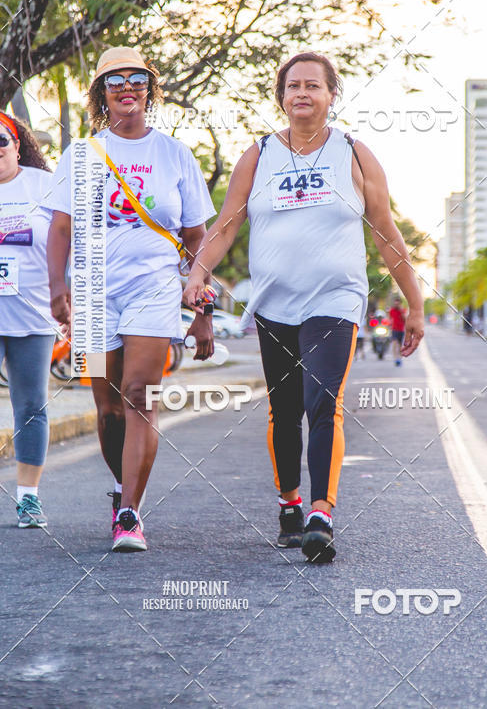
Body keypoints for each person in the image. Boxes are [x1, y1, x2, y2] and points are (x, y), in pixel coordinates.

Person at [183, 51, 424, 563]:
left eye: (313, 86)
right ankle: (289, 502)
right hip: (274, 304)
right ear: (281, 97)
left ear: (332, 95)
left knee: (323, 401)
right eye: (293, 86)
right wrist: (198, 272)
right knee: (285, 408)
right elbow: (226, 225)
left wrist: (416, 303)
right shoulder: (259, 155)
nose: (302, 94)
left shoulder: (355, 155)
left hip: (334, 300)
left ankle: (321, 513)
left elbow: (387, 236)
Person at [45, 47, 215, 552]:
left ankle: (129, 513)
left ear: (148, 87)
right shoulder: (81, 154)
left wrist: (202, 307)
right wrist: (58, 288)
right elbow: (60, 228)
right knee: (107, 406)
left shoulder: (174, 154)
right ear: (102, 92)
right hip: (94, 295)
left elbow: (198, 237)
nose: (126, 87)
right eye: (114, 80)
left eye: (135, 78)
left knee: (140, 397)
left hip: (153, 289)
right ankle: (121, 485)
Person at [0, 112, 56, 527]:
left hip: (33, 314)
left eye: (1, 141)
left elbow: (70, 243)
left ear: (17, 145)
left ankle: (29, 499)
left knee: (31, 406)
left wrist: (71, 303)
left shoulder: (45, 185)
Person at [389, 297, 406, 367]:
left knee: (399, 345)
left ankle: (399, 358)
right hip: (394, 329)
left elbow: (405, 319)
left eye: (398, 303)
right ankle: (395, 358)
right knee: (394, 343)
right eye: (395, 303)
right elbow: (390, 318)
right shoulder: (392, 310)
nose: (396, 304)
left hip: (401, 330)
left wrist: (401, 311)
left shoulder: (403, 310)